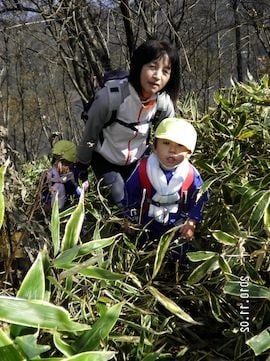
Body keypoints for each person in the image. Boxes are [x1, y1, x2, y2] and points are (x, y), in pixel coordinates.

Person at [77, 39, 181, 206]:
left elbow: (168, 137)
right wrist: (81, 165)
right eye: (152, 67)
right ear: (139, 66)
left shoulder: (163, 104)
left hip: (138, 158)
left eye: (165, 71)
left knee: (146, 202)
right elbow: (90, 134)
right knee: (121, 202)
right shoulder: (111, 98)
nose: (157, 76)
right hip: (106, 159)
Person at [121, 117, 208, 258]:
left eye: (180, 146)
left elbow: (200, 198)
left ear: (189, 152)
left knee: (178, 253)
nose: (172, 150)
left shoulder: (191, 175)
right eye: (166, 143)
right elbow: (130, 194)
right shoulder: (143, 170)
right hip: (147, 221)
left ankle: (176, 273)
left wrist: (192, 221)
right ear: (155, 146)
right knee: (144, 251)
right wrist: (129, 217)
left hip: (177, 223)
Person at [40, 140, 81, 214]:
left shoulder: (74, 171)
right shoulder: (49, 175)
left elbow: (76, 187)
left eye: (71, 164)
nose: (69, 167)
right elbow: (44, 196)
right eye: (68, 164)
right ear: (60, 162)